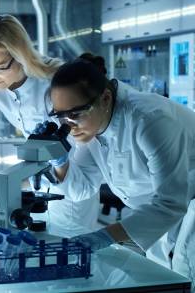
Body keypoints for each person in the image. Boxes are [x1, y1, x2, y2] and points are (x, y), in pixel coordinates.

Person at [0, 14, 100, 235]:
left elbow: (75, 153)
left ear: (21, 57)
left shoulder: (56, 82)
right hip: (37, 187)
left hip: (75, 187)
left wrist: (9, 185)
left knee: (70, 252)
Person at [48, 56, 195, 288]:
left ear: (105, 98)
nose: (69, 125)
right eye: (61, 117)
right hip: (154, 219)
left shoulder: (150, 120)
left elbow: (171, 202)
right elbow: (81, 188)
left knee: (186, 281)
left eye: (75, 114)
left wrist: (105, 235)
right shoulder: (93, 127)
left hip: (189, 215)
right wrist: (60, 162)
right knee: (158, 282)